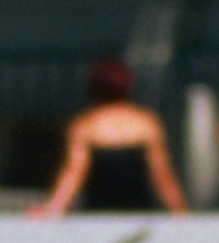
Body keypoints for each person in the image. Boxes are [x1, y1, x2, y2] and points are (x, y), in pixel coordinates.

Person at [32, 56, 189, 217]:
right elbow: (162, 175)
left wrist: (54, 207)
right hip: (139, 210)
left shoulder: (86, 126)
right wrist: (180, 212)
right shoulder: (146, 124)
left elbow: (74, 172)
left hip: (98, 212)